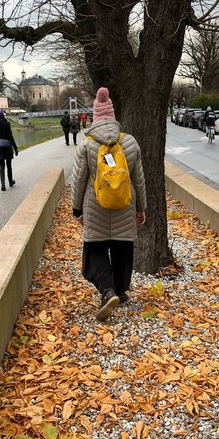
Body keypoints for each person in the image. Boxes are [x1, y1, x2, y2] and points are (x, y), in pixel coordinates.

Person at [71, 87, 147, 321]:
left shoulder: (87, 144)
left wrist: (77, 209)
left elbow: (78, 179)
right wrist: (141, 207)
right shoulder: (131, 142)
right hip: (125, 205)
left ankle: (107, 291)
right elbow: (139, 179)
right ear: (113, 117)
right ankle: (121, 293)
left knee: (96, 249)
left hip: (96, 206)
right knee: (123, 246)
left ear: (94, 118)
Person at [0, 109, 19, 191]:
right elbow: (11, 136)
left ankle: (3, 184)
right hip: (7, 147)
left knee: (1, 166)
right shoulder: (7, 124)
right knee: (9, 165)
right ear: (3, 115)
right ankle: (10, 182)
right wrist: (15, 148)